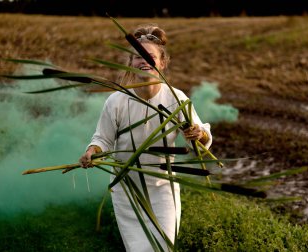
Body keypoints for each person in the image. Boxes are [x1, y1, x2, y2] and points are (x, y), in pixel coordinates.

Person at [79, 23, 212, 251]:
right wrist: (92, 152)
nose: (142, 61)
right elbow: (102, 139)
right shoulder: (117, 101)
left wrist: (198, 134)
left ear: (161, 62)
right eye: (137, 57)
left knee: (164, 246)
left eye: (149, 56)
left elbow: (201, 136)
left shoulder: (176, 98)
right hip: (127, 189)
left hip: (164, 188)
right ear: (131, 63)